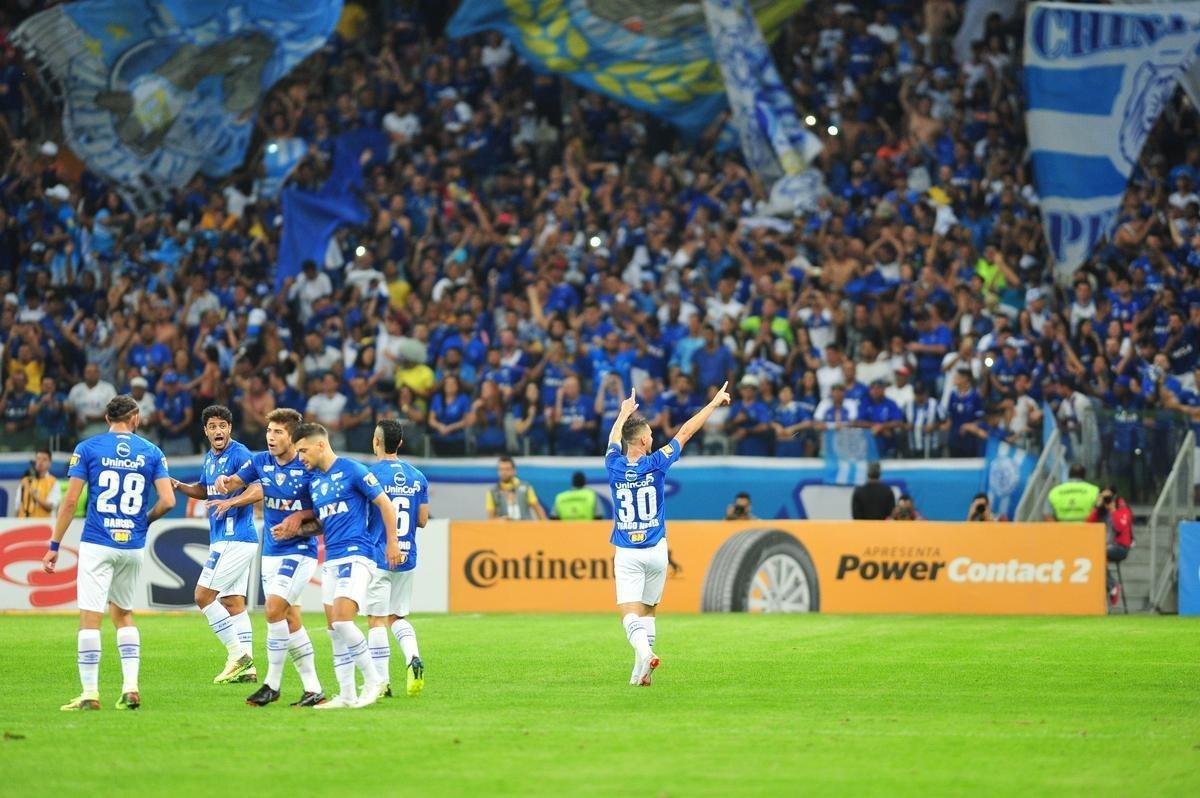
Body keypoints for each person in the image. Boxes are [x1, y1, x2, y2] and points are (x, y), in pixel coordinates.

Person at [42, 395, 175, 710]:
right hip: (132, 545)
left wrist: (54, 545)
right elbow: (169, 501)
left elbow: (71, 502)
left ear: (106, 419)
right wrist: (144, 521)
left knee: (91, 617)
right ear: (135, 418)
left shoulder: (87, 448)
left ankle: (90, 693)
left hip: (98, 541)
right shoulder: (152, 451)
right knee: (123, 614)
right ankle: (130, 688)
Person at [605, 380, 731, 686]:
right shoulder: (657, 463)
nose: (652, 436)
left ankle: (646, 654)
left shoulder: (613, 465)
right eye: (650, 434)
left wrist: (623, 413)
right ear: (644, 441)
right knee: (648, 611)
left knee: (628, 614)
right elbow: (686, 432)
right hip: (657, 550)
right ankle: (639, 674)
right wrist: (713, 404)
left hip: (628, 551)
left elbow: (613, 439)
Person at [211, 409, 327, 707]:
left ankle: (271, 685)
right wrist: (226, 481)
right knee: (290, 618)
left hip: (300, 552)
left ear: (293, 437)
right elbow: (236, 481)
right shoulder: (261, 461)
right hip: (271, 552)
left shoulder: (308, 467)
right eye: (268, 431)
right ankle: (313, 689)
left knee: (273, 609)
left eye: (278, 432)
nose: (270, 437)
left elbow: (324, 513)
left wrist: (299, 517)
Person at [293, 422, 400, 709]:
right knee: (334, 630)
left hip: (357, 555)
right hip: (332, 559)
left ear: (320, 445)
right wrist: (296, 530)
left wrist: (392, 542)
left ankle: (375, 681)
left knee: (342, 620)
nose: (300, 457)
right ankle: (347, 695)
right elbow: (323, 523)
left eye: (303, 450)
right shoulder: (315, 482)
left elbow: (385, 504)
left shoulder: (353, 470)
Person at [170, 405, 258, 684]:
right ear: (205, 431)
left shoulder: (240, 454)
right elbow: (204, 489)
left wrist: (232, 501)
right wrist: (179, 486)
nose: (218, 430)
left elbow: (259, 487)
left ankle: (238, 656)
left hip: (235, 537)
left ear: (230, 428)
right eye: (212, 426)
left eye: (222, 425)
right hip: (226, 538)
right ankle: (248, 669)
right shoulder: (210, 458)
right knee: (233, 603)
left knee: (202, 596)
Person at [363, 419, 429, 698]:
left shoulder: (369, 475)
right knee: (396, 617)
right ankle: (413, 657)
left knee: (376, 620)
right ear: (400, 443)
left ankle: (382, 683)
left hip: (378, 555)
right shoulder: (418, 476)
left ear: (376, 441)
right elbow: (422, 520)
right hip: (407, 555)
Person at [1086, 486, 1134, 606]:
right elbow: (1087, 524)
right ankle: (1108, 586)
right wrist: (1097, 507)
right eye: (1104, 497)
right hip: (1103, 547)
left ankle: (1112, 585)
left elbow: (1120, 527)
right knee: (1093, 556)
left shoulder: (1123, 509)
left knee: (1098, 555)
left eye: (1109, 497)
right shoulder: (1100, 511)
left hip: (1120, 547)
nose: (1107, 500)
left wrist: (1113, 510)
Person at [486, 455, 547, 520]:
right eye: (501, 469)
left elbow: (538, 509)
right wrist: (500, 520)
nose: (504, 472)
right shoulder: (492, 491)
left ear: (514, 471)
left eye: (507, 469)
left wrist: (545, 524)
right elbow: (490, 519)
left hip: (524, 525)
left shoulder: (526, 487)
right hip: (504, 526)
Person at [16, 448, 61, 518]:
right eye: (38, 459)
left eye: (44, 459)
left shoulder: (54, 482)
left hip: (44, 523)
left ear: (50, 463)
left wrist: (36, 497)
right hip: (23, 522)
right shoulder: (25, 481)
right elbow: (17, 506)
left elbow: (51, 506)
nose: (40, 462)